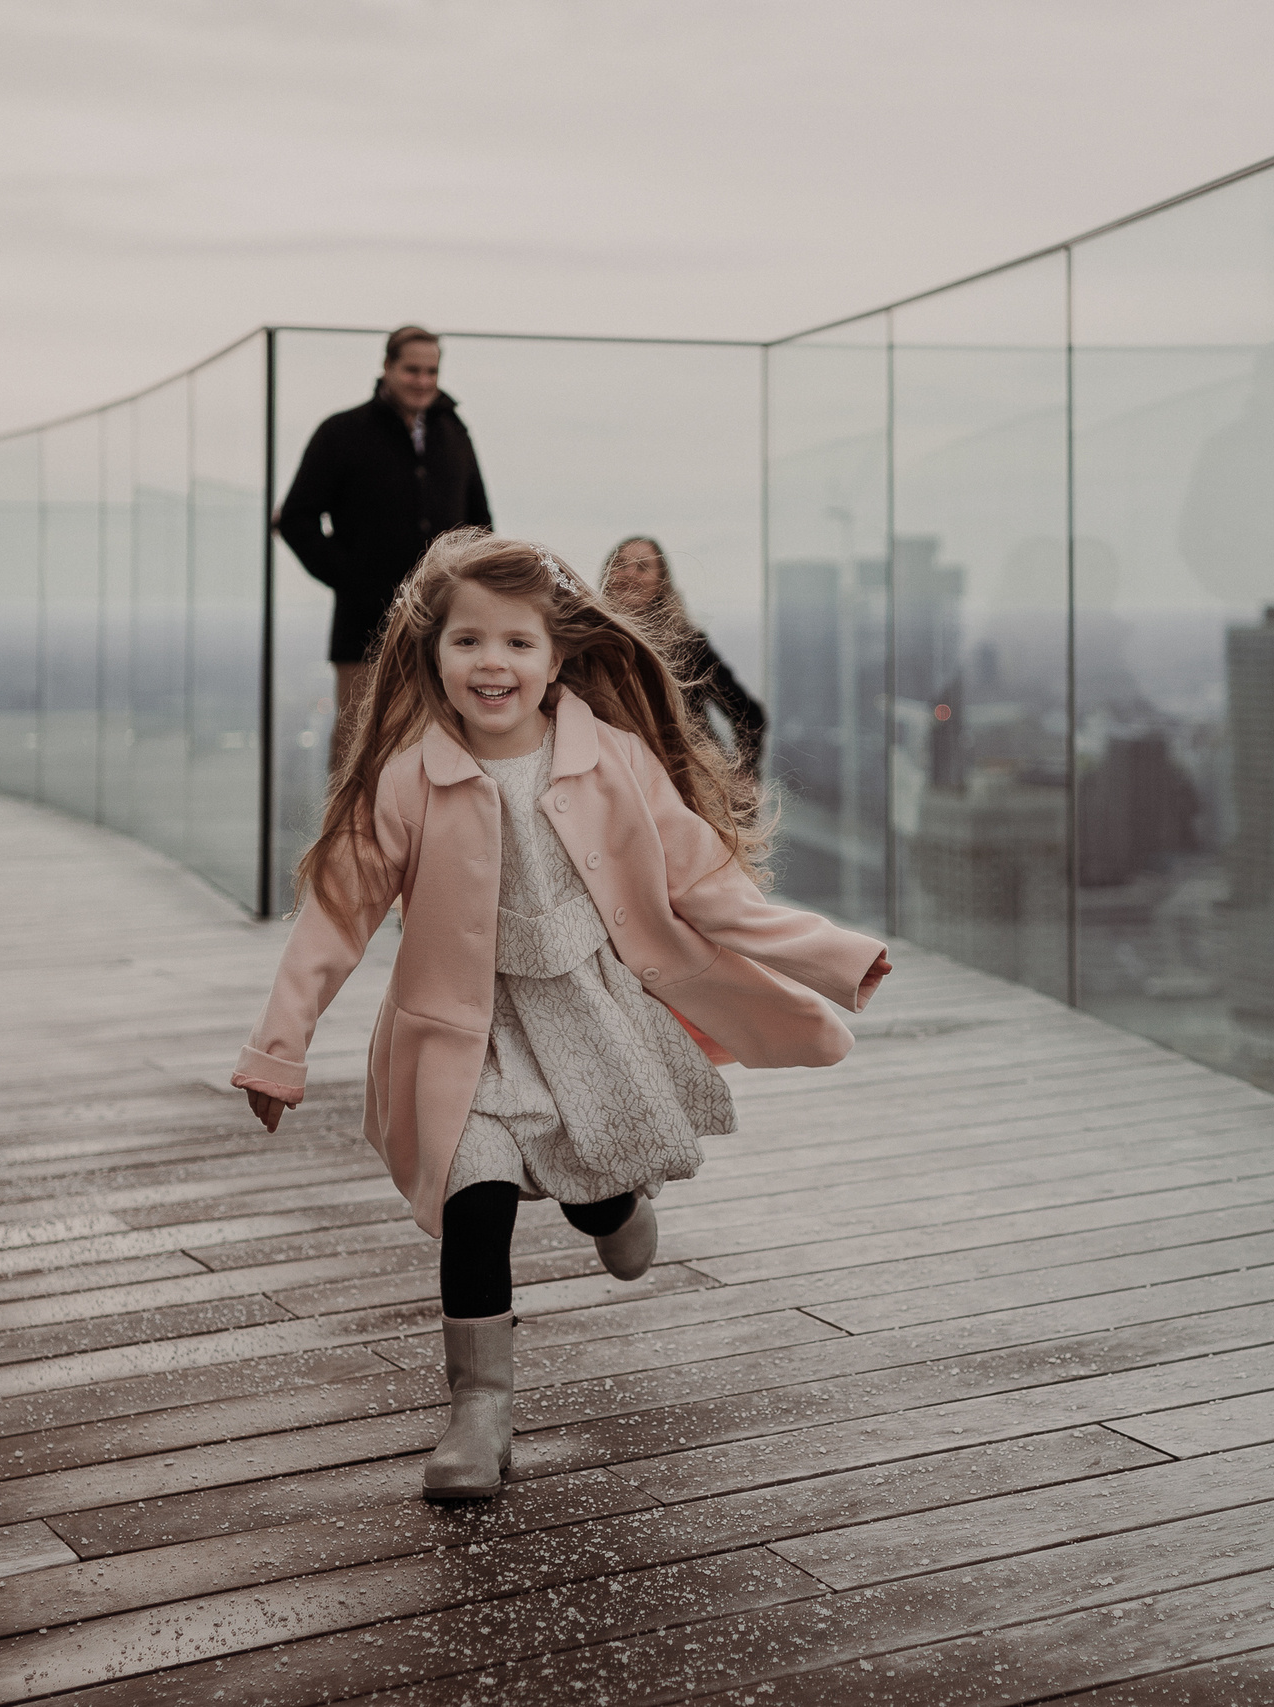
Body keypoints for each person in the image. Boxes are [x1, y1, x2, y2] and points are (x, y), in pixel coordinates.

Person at [231, 531, 891, 1501]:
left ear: (556, 658)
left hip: (586, 1016)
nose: (490, 663)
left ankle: (614, 1206)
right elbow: (336, 914)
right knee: (475, 1200)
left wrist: (830, 955)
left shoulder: (611, 759)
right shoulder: (409, 778)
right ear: (433, 653)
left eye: (516, 643)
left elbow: (707, 886)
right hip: (465, 1035)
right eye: (467, 641)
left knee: (591, 1185)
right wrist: (277, 1049)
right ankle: (479, 1413)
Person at [277, 326, 493, 761]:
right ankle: (351, 814)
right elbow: (295, 519)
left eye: (431, 371)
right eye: (412, 370)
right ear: (387, 367)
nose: (423, 381)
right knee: (359, 746)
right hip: (365, 627)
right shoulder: (341, 432)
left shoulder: (454, 433)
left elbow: (480, 527)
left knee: (442, 745)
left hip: (444, 623)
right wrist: (352, 578)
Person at [601, 535, 768, 772]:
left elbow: (749, 714)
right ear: (607, 576)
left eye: (642, 567)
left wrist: (743, 775)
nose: (629, 574)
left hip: (689, 779)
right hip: (620, 777)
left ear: (661, 582)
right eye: (620, 565)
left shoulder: (687, 644)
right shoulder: (590, 645)